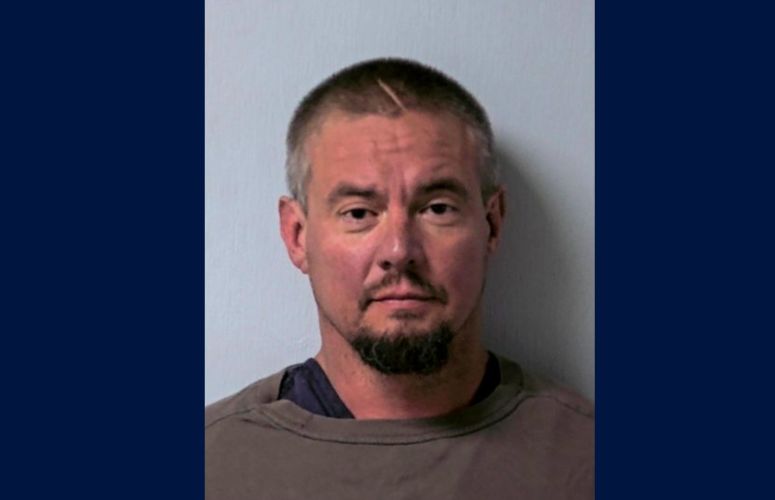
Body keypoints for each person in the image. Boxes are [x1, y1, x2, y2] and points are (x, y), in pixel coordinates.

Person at [205, 57, 594, 499]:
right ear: (297, 235)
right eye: (358, 213)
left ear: (492, 223)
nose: (399, 251)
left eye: (437, 209)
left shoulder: (585, 459)